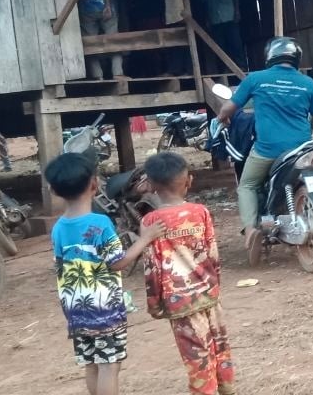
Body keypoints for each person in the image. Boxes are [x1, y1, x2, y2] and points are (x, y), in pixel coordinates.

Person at [217, 38, 313, 267]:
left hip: (267, 149)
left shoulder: (256, 79)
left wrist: (222, 118)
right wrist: (302, 126)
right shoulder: (307, 83)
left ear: (270, 56)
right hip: (301, 147)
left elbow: (229, 107)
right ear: (296, 57)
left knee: (247, 185)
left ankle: (251, 229)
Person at [46, 153, 165, 395]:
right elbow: (118, 263)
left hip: (75, 308)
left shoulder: (58, 227)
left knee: (91, 365)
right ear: (94, 184)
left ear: (54, 190)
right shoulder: (100, 224)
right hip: (103, 308)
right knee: (109, 365)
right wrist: (146, 238)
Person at [140, 153, 235, 395]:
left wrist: (154, 304)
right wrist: (215, 286)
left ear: (150, 186)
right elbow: (212, 253)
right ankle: (226, 389)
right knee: (219, 346)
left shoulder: (151, 221)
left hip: (179, 301)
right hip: (209, 293)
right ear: (189, 181)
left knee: (196, 356)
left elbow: (152, 267)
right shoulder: (201, 212)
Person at [76, 0, 124, 80]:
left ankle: (97, 76)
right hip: (105, 7)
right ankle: (117, 72)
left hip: (87, 9)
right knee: (113, 37)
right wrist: (108, 4)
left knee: (90, 42)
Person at [197, 0, 245, 71]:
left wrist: (237, 12)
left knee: (235, 43)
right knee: (220, 46)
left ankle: (241, 66)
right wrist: (207, 19)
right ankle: (224, 69)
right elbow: (204, 4)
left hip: (229, 17)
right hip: (215, 20)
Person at [161, 0, 190, 76]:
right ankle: (176, 70)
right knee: (175, 45)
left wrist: (185, 12)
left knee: (184, 44)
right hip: (172, 16)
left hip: (180, 14)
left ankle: (187, 70)